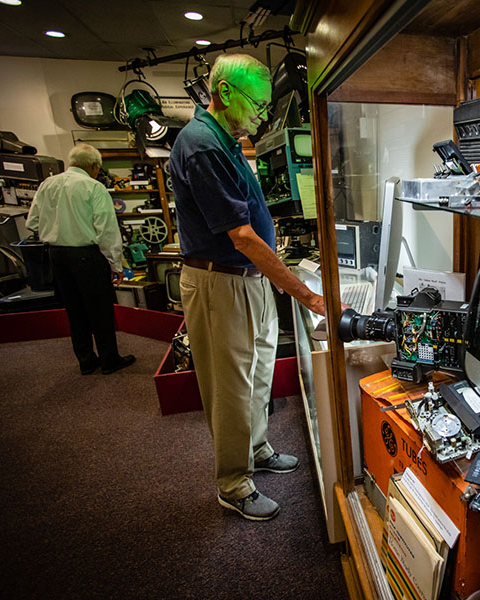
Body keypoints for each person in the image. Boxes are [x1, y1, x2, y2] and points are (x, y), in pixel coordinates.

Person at [169, 54, 329, 522]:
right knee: (231, 387)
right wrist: (305, 293)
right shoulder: (202, 145)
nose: (261, 117)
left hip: (249, 279)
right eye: (257, 106)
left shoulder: (228, 141)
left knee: (259, 372)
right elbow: (239, 235)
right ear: (223, 94)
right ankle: (233, 484)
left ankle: (257, 448)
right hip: (221, 282)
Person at [26, 143, 136, 375]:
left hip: (56, 255)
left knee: (73, 309)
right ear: (95, 166)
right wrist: (116, 264)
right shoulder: (94, 188)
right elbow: (106, 230)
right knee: (100, 309)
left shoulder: (47, 184)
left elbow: (32, 222)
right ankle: (109, 360)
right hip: (86, 255)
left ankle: (86, 360)